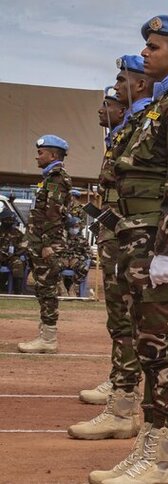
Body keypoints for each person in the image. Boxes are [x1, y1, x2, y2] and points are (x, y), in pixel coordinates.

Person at [89, 15, 168, 484]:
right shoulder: (160, 107)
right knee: (147, 346)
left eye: (154, 47)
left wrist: (167, 251)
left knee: (164, 350)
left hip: (155, 246)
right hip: (135, 242)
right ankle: (147, 450)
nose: (145, 54)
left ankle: (161, 460)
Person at [71, 55, 152, 436]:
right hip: (118, 234)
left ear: (137, 85)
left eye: (120, 82)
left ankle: (125, 398)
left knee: (134, 321)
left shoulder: (148, 121)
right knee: (120, 319)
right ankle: (120, 387)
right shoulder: (129, 127)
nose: (113, 90)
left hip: (135, 237)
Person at [17, 134, 72, 354]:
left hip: (47, 244)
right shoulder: (49, 178)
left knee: (47, 289)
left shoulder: (57, 178)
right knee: (43, 288)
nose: (37, 157)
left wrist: (47, 244)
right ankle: (45, 334)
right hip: (40, 242)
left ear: (52, 154)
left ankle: (48, 339)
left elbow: (53, 214)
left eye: (41, 153)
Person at [0, 209, 31, 294]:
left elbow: (24, 246)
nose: (10, 222)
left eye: (11, 220)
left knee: (18, 263)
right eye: (7, 219)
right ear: (2, 220)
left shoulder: (17, 233)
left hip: (12, 257)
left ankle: (17, 291)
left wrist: (17, 253)